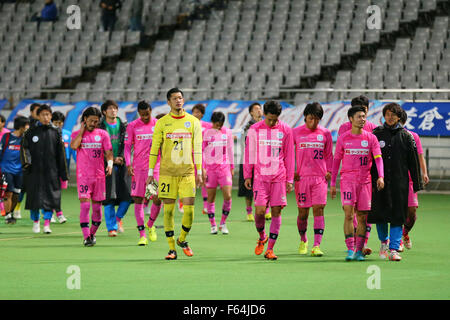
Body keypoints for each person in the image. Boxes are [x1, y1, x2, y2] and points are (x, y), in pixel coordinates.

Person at [146, 88, 203, 260]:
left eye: (180, 98)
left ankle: (182, 239)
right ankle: (172, 249)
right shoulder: (162, 123)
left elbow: (198, 148)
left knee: (190, 211)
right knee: (168, 212)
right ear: (168, 102)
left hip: (187, 173)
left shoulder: (193, 122)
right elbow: (154, 148)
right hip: (167, 174)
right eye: (174, 98)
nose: (178, 101)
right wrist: (150, 172)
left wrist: (199, 171)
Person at [368, 103, 423, 261]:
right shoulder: (376, 134)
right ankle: (384, 243)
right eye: (387, 114)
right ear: (384, 116)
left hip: (400, 183)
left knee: (398, 216)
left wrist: (417, 184)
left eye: (393, 114)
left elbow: (413, 161)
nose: (390, 117)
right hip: (380, 183)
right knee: (380, 215)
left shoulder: (406, 136)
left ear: (399, 117)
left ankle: (393, 250)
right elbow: (369, 159)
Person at [331, 105, 385, 261]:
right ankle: (350, 249)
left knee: (362, 217)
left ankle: (359, 251)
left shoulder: (371, 138)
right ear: (351, 119)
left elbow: (378, 159)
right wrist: (333, 183)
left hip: (365, 182)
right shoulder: (343, 138)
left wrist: (380, 176)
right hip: (347, 181)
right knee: (348, 214)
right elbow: (336, 161)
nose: (363, 119)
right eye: (359, 117)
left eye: (364, 116)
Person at [243, 100, 295, 260]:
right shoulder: (254, 129)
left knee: (276, 211)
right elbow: (249, 153)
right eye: (270, 118)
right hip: (260, 177)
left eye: (275, 119)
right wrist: (247, 175)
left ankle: (270, 249)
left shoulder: (286, 130)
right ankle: (262, 235)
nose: (272, 122)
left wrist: (290, 178)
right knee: (259, 212)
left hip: (279, 176)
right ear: (264, 114)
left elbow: (289, 155)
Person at [338, 95, 378, 255]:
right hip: (349, 177)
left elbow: (377, 156)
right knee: (350, 211)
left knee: (364, 212)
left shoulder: (374, 129)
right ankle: (353, 245)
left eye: (364, 110)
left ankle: (363, 243)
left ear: (368, 110)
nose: (362, 115)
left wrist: (378, 176)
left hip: (367, 177)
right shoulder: (344, 129)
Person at [20, 105, 69, 234]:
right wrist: (27, 163)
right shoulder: (30, 132)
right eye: (43, 114)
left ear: (51, 116)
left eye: (48, 114)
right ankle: (36, 222)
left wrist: (64, 174)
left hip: (51, 171)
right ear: (38, 116)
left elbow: (61, 154)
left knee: (51, 198)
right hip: (34, 171)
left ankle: (47, 224)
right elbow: (25, 149)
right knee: (34, 199)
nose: (46, 117)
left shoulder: (56, 132)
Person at [292, 102, 333, 256]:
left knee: (319, 209)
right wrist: (291, 172)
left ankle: (316, 245)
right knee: (303, 213)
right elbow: (288, 153)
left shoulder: (325, 133)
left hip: (319, 178)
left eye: (317, 119)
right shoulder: (295, 132)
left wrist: (329, 171)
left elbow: (329, 155)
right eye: (311, 118)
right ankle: (303, 240)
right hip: (302, 179)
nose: (314, 122)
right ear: (305, 117)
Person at [70, 107, 113, 246]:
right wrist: (82, 132)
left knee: (96, 209)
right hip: (84, 177)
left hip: (99, 176)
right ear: (84, 120)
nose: (94, 124)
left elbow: (108, 152)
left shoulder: (103, 134)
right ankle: (86, 236)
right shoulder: (77, 134)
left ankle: (92, 234)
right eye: (91, 121)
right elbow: (74, 146)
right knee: (85, 206)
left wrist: (110, 163)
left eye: (96, 121)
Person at [124, 101, 162, 245]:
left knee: (157, 198)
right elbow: (127, 147)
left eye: (147, 114)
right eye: (142, 114)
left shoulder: (158, 124)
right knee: (138, 200)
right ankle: (142, 235)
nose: (145, 117)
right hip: (138, 169)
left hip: (154, 168)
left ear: (151, 111)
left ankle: (150, 224)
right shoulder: (133, 126)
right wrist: (129, 164)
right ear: (139, 113)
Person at [99, 100, 132, 237]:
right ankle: (111, 228)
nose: (113, 111)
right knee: (109, 197)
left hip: (123, 163)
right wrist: (109, 160)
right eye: (110, 108)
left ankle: (118, 218)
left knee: (129, 196)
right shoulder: (100, 127)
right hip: (106, 165)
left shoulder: (124, 126)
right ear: (104, 112)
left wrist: (121, 158)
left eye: (115, 108)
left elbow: (128, 144)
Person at [398, 109, 429, 251]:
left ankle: (405, 233)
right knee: (397, 211)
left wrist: (424, 172)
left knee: (412, 213)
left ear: (402, 121)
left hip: (410, 180)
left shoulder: (413, 136)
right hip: (395, 179)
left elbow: (420, 156)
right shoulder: (389, 136)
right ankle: (397, 240)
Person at [237, 102, 271, 221]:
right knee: (248, 188)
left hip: (264, 161)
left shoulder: (267, 124)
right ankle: (249, 212)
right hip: (250, 161)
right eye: (256, 109)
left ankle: (267, 210)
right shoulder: (247, 127)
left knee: (267, 185)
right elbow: (245, 145)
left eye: (260, 108)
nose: (259, 110)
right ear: (251, 112)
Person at [203, 111, 234, 235]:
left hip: (224, 168)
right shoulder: (206, 133)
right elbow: (202, 151)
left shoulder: (227, 132)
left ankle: (223, 223)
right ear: (212, 122)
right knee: (211, 197)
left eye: (220, 124)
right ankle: (213, 224)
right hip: (210, 170)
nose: (219, 127)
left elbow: (230, 150)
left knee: (228, 196)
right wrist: (203, 168)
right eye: (216, 124)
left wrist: (232, 167)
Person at [1, 116, 29, 224]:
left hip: (20, 171)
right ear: (21, 127)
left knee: (17, 194)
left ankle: (11, 212)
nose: (28, 127)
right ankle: (7, 215)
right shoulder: (7, 137)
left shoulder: (25, 139)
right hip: (6, 169)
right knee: (9, 193)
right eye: (27, 125)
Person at [190, 103, 211, 215]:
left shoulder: (207, 125)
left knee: (204, 180)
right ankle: (183, 202)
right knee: (189, 180)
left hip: (204, 156)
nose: (196, 114)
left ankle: (206, 206)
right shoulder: (188, 125)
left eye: (198, 112)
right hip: (190, 155)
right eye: (194, 112)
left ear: (202, 114)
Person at [0, 114, 10, 217]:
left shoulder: (7, 134)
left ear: (3, 123)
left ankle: (3, 208)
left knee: (4, 187)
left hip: (4, 164)